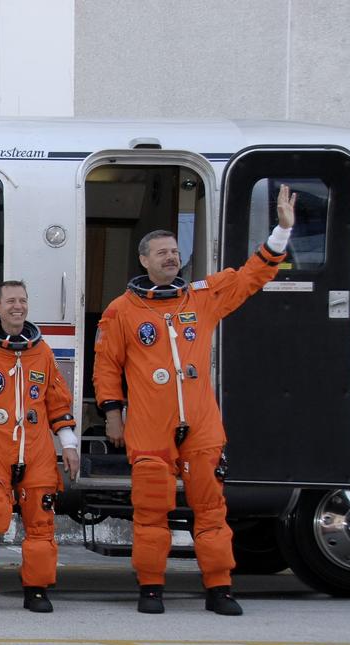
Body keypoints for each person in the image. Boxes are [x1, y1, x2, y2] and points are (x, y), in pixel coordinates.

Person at [94, 184, 296, 616]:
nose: (170, 256)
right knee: (150, 511)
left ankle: (219, 587)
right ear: (143, 260)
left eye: (174, 251)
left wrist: (280, 231)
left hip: (201, 423)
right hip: (149, 424)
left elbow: (251, 277)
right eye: (161, 252)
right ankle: (150, 587)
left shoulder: (202, 298)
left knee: (211, 509)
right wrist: (112, 414)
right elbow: (106, 367)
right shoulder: (120, 311)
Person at [0, 280, 79, 613]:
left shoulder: (42, 351)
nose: (17, 306)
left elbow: (57, 400)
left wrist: (68, 443)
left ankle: (36, 590)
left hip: (36, 453)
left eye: (22, 300)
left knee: (41, 524)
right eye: (10, 301)